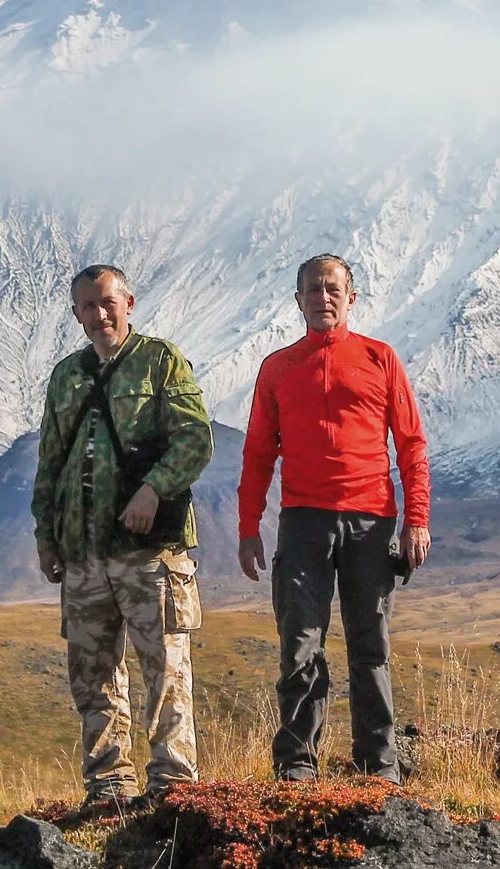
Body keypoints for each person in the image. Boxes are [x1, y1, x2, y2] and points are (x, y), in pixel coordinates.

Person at [237, 253, 431, 783]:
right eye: (312, 290)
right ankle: (297, 766)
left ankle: (379, 768)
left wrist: (417, 518)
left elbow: (411, 444)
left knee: (371, 647)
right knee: (300, 644)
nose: (323, 298)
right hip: (302, 522)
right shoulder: (278, 367)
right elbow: (257, 452)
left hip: (371, 522)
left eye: (332, 289)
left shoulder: (380, 358)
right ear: (297, 299)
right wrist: (248, 528)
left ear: (351, 298)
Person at [31, 264, 214, 810]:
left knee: (165, 667)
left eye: (108, 302)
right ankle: (109, 787)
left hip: (149, 551)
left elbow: (194, 440)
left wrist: (153, 490)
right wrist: (46, 534)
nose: (99, 314)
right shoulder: (66, 376)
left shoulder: (160, 361)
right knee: (93, 674)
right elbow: (50, 463)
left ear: (128, 302)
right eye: (87, 306)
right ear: (76, 314)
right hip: (83, 553)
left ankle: (172, 787)